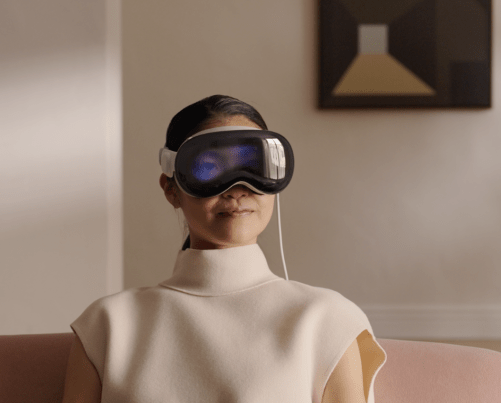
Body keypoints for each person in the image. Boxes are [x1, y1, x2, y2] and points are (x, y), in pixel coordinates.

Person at [61, 95, 386, 403]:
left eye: (253, 167)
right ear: (172, 189)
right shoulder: (107, 324)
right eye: (209, 167)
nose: (237, 189)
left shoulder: (327, 319)